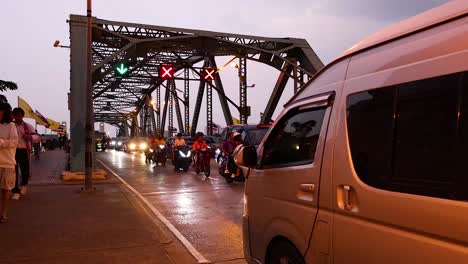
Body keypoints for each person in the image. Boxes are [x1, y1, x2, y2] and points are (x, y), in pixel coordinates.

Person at [11, 108, 35, 200]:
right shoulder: (11, 126)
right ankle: (15, 191)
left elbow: (37, 137)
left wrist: (29, 137)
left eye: (19, 115)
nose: (17, 118)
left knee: (25, 170)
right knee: (14, 172)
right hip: (13, 151)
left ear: (22, 116)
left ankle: (24, 184)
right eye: (15, 115)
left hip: (24, 151)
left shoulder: (28, 126)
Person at [0, 102, 18, 223]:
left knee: (5, 190)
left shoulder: (11, 125)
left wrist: (1, 142)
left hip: (7, 162)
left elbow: (14, 142)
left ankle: (4, 213)